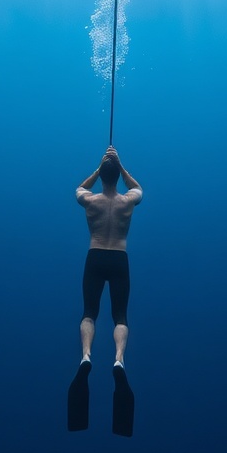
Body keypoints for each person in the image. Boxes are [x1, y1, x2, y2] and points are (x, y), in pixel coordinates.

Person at [76, 145, 142, 371]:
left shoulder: (90, 200)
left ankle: (86, 355)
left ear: (102, 177)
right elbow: (138, 188)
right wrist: (119, 164)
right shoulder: (128, 201)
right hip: (119, 259)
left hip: (95, 255)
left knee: (89, 312)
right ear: (117, 177)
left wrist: (99, 167)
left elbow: (80, 188)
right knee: (120, 316)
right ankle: (119, 359)